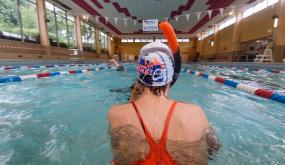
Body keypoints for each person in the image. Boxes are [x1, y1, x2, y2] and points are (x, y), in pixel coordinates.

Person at [108, 42, 220, 165]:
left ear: (139, 76)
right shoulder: (195, 114)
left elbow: (118, 150)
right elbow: (214, 149)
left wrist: (133, 98)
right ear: (171, 77)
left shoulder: (116, 113)